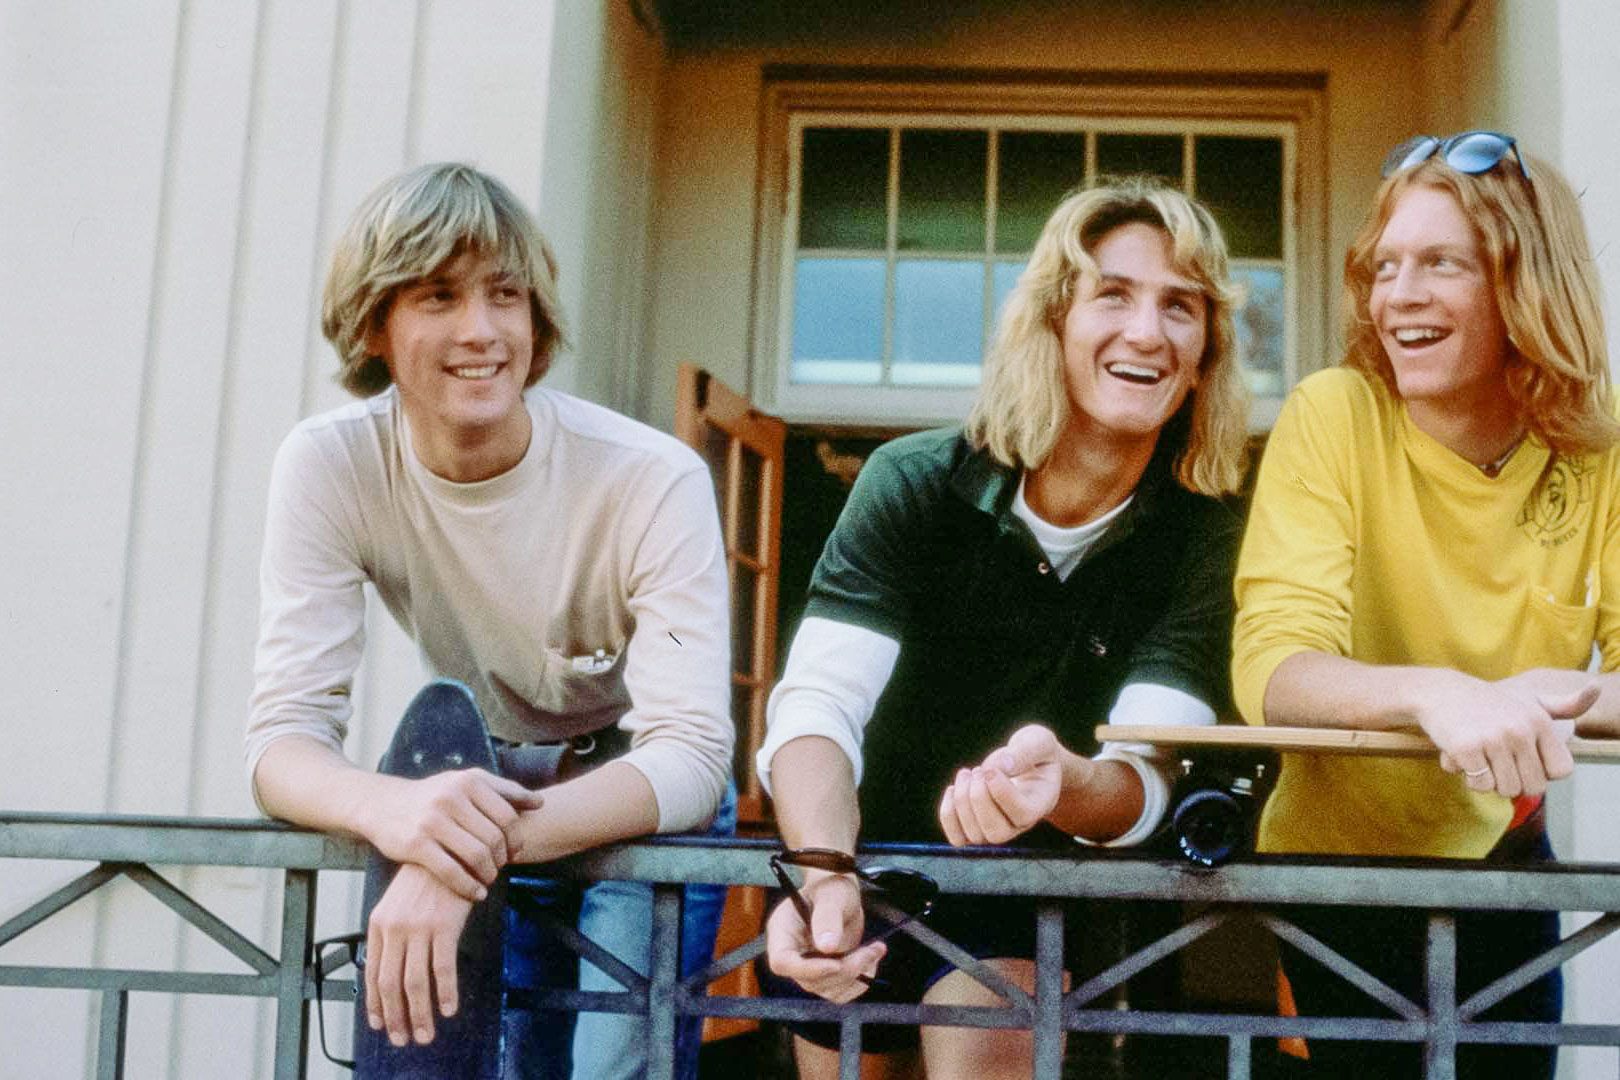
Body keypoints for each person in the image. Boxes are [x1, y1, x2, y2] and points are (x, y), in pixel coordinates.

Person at [245, 162, 734, 1079]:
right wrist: (400, 814)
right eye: (437, 297)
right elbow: (281, 742)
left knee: (610, 1071)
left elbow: (694, 757)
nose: (481, 331)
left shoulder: (650, 478)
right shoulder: (329, 466)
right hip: (479, 785)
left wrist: (449, 857)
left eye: (504, 295)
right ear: (374, 326)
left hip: (630, 796)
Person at [758, 177, 1251, 1079]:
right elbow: (818, 706)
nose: (1147, 332)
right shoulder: (914, 479)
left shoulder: (1207, 532)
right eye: (1113, 294)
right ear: (1054, 319)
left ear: (1205, 352)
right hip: (861, 863)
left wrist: (1060, 783)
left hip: (1036, 889)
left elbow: (1149, 773)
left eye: (1180, 307)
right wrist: (822, 870)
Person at [1232, 132, 1620, 1077]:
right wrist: (1441, 694)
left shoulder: (1600, 454)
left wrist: (1542, 698)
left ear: (1526, 284)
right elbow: (1271, 668)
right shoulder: (1333, 414)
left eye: (1441, 264)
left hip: (1502, 863)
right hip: (1330, 873)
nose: (1396, 295)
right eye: (1385, 267)